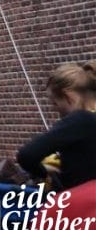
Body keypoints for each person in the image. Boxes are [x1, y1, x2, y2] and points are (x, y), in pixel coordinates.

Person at [17, 60, 96, 190]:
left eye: (55, 103)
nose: (55, 109)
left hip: (81, 198)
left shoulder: (80, 120)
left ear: (68, 97)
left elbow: (26, 156)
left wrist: (46, 175)